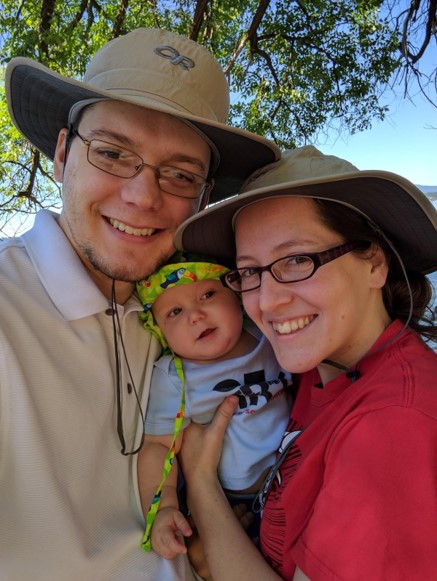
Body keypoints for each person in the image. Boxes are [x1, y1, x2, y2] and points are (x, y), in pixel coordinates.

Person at [0, 28, 280, 580]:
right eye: (111, 152)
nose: (142, 196)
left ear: (203, 199)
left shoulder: (196, 309)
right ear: (62, 154)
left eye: (179, 175)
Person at [174, 145, 437, 580]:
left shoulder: (394, 423)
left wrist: (201, 485)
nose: (267, 302)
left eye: (298, 260)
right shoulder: (321, 369)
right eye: (250, 272)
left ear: (374, 262)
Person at [136, 257, 292, 557]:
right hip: (237, 500)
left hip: (296, 474)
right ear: (161, 332)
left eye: (208, 295)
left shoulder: (266, 335)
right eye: (175, 312)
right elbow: (158, 446)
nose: (195, 316)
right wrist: (164, 507)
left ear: (236, 296)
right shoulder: (174, 378)